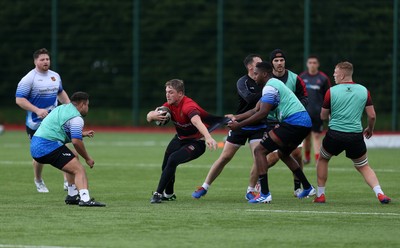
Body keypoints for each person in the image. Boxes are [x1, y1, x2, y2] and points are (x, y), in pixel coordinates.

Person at [228, 61, 315, 203]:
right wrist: (236, 117)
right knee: (283, 153)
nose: (254, 77)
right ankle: (307, 187)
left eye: (256, 74)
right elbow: (255, 109)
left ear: (264, 74)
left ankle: (265, 193)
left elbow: (262, 113)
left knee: (260, 151)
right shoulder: (272, 85)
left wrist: (239, 125)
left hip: (294, 122)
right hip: (303, 123)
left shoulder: (269, 87)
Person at [314, 62, 391, 204]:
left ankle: (320, 195)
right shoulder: (363, 90)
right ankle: (380, 194)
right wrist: (370, 129)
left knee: (323, 159)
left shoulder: (331, 91)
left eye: (335, 72)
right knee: (363, 166)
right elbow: (372, 116)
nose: (334, 75)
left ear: (342, 75)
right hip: (355, 136)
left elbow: (323, 116)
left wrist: (331, 116)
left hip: (334, 135)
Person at [192, 54, 266, 200]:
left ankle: (250, 191)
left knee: (258, 158)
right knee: (225, 157)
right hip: (239, 125)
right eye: (259, 63)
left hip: (259, 125)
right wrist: (268, 94)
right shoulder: (242, 82)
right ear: (250, 67)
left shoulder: (265, 81)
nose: (262, 64)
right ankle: (204, 186)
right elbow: (250, 98)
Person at [147, 79, 218, 204]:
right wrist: (152, 116)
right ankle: (169, 194)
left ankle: (158, 194)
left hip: (196, 142)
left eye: (171, 92)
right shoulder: (169, 105)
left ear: (180, 93)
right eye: (166, 92)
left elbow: (197, 121)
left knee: (173, 159)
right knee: (166, 165)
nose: (167, 95)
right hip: (179, 139)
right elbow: (149, 116)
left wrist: (208, 137)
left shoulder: (188, 106)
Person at [30, 92, 105, 207]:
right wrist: (88, 158)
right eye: (87, 105)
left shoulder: (62, 108)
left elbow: (59, 129)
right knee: (79, 170)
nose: (87, 108)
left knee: (73, 156)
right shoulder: (76, 118)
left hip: (36, 144)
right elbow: (76, 142)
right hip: (47, 146)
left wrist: (82, 134)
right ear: (82, 104)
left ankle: (72, 195)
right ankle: (85, 199)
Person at [16, 48, 70, 193]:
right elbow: (19, 100)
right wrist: (37, 110)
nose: (46, 62)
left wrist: (70, 109)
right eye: (42, 59)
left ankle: (67, 181)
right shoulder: (29, 79)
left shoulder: (55, 76)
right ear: (35, 61)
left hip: (53, 121)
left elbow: (60, 92)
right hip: (35, 123)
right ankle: (38, 180)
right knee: (40, 155)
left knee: (62, 148)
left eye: (47, 59)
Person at [264, 49, 311, 197]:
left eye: (282, 60)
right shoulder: (267, 79)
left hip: (291, 121)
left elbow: (304, 97)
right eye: (276, 61)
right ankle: (257, 184)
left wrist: (295, 106)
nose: (279, 63)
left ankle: (298, 187)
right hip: (272, 121)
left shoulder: (295, 78)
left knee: (297, 154)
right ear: (271, 63)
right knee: (271, 157)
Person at [300, 55, 331, 164]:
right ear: (307, 64)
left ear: (318, 64)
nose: (312, 65)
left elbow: (329, 96)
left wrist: (329, 112)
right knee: (306, 137)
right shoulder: (301, 77)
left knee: (317, 136)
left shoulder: (323, 78)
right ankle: (307, 158)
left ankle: (318, 160)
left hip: (318, 113)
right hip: (304, 113)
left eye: (314, 62)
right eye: (310, 62)